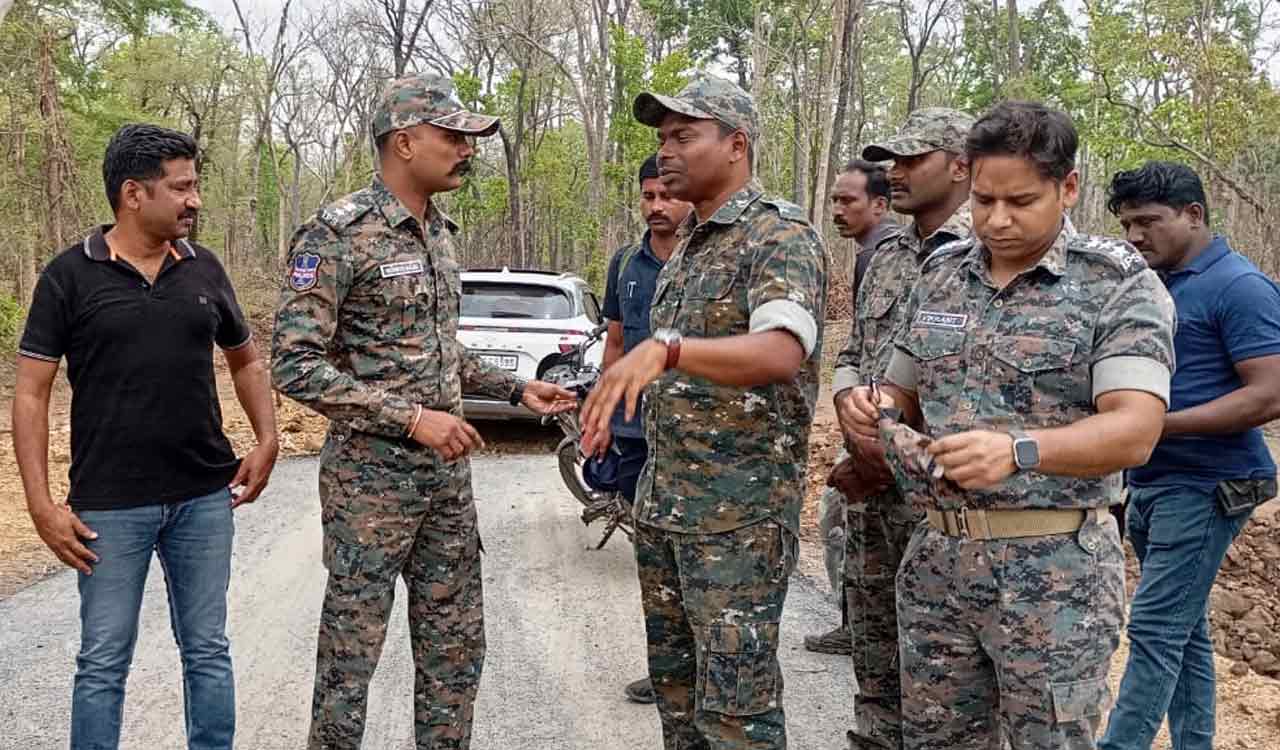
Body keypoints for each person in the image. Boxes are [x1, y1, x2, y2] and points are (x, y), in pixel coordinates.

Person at [843, 101, 1176, 750]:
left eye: (1020, 201)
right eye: (985, 199)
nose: (996, 219)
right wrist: (873, 406)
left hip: (1054, 581)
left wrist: (1019, 452)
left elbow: (1135, 429)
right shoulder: (942, 274)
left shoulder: (1116, 283)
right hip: (938, 563)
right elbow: (903, 390)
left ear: (1068, 187)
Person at [270, 73, 574, 750]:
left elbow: (434, 349)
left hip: (445, 483)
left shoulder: (439, 233)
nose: (467, 149)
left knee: (456, 648)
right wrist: (410, 419)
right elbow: (293, 363)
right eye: (453, 136)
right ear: (405, 142)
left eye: (469, 139)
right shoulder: (336, 233)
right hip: (369, 487)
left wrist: (517, 388)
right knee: (351, 657)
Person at [578, 74, 827, 749]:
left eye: (684, 136)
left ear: (737, 144)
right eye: (662, 138)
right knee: (677, 696)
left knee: (736, 711)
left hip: (737, 520)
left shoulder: (778, 234)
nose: (666, 152)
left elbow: (782, 351)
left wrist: (671, 349)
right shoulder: (689, 244)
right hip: (666, 508)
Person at [12, 124, 279, 750]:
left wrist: (267, 438)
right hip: (109, 504)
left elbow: (246, 359)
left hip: (204, 497)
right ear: (134, 193)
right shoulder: (68, 276)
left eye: (196, 186)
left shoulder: (204, 267)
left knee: (208, 649)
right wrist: (40, 505)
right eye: (181, 187)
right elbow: (30, 392)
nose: (195, 200)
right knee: (102, 662)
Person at [1099, 162, 1280, 750]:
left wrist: (1152, 425)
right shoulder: (1157, 284)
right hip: (1152, 481)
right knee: (1185, 631)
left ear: (1193, 215)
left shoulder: (1239, 286)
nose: (1134, 236)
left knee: (1153, 630)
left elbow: (1269, 392)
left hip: (1208, 484)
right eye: (1127, 224)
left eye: (1147, 222)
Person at [828, 108, 974, 747]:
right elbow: (855, 352)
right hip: (874, 487)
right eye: (893, 159)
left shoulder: (986, 255)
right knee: (873, 641)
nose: (897, 172)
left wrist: (889, 444)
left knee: (945, 672)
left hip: (944, 500)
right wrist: (849, 416)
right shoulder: (885, 255)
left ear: (961, 166)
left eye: (915, 159)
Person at [600, 154, 694, 704]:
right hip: (638, 435)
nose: (657, 207)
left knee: (701, 563)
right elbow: (616, 341)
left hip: (696, 439)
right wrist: (606, 413)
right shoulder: (625, 264)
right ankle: (669, 672)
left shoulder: (710, 258)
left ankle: (713, 671)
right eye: (648, 197)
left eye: (667, 195)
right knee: (654, 560)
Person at [806, 158, 904, 658]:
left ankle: (859, 626)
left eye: (849, 201)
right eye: (834, 200)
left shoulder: (887, 256)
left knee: (844, 525)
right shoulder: (872, 255)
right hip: (866, 426)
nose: (837, 210)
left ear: (881, 205)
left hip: (888, 441)